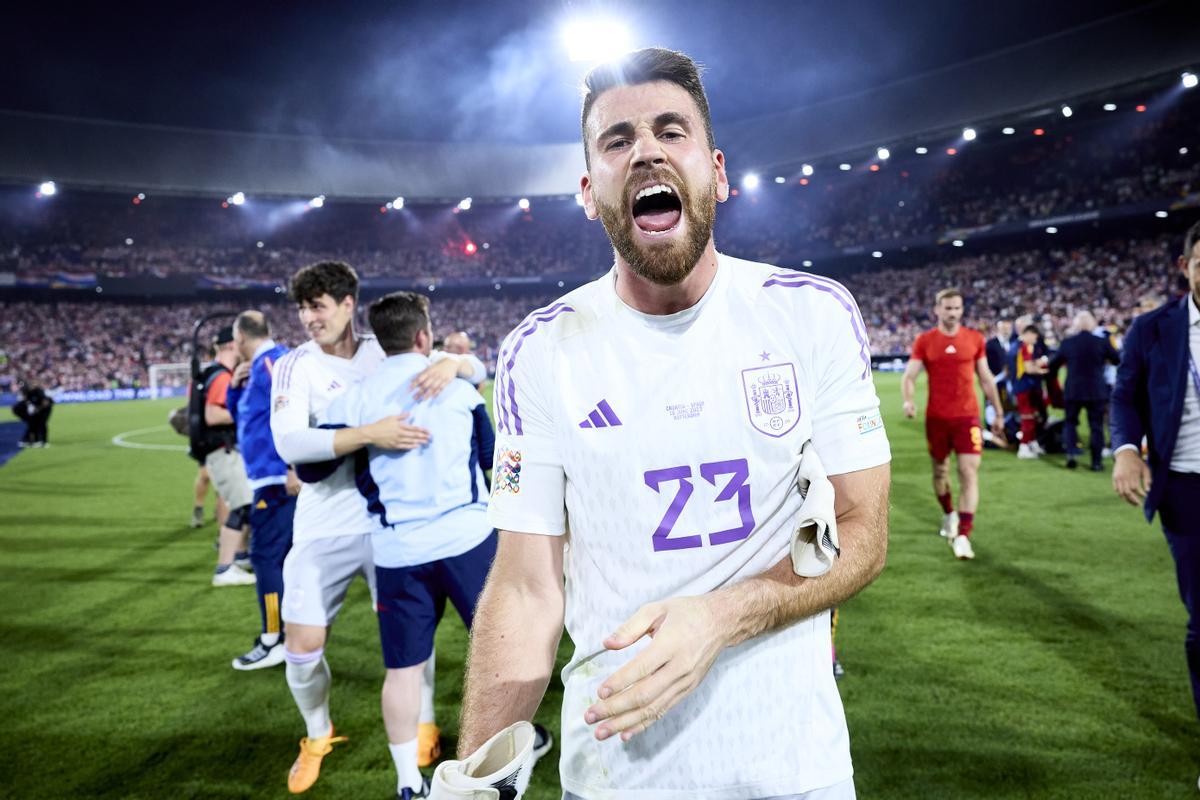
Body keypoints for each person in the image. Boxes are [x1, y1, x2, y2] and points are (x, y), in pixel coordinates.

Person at [458, 48, 891, 800]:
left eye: (670, 130)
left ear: (716, 172)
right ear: (591, 193)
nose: (647, 150)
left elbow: (863, 529)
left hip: (796, 771)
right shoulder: (540, 350)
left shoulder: (809, 314)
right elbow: (528, 590)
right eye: (618, 140)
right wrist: (473, 779)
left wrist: (722, 616)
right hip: (617, 776)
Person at [269, 261, 478, 793]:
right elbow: (291, 446)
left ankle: (425, 723)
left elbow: (473, 372)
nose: (307, 318)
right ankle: (317, 733)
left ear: (347, 305)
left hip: (389, 524)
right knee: (302, 643)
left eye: (317, 306)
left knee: (414, 638)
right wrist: (367, 433)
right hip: (323, 525)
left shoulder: (382, 351)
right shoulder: (297, 366)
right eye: (302, 308)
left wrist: (454, 363)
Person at [319, 291, 537, 799]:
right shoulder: (459, 392)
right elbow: (496, 459)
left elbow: (311, 466)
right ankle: (502, 762)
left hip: (397, 551)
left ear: (380, 339)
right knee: (501, 651)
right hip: (467, 540)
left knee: (402, 670)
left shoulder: (352, 402)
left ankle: (407, 781)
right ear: (423, 336)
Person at [1111, 219, 1200, 789]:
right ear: (1186, 265)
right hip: (1188, 488)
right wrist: (1125, 449)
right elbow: (1125, 395)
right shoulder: (1154, 328)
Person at [902, 288, 1006, 560]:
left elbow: (986, 378)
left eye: (957, 308)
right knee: (940, 473)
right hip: (937, 419)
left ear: (962, 310)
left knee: (968, 472)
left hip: (967, 417)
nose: (953, 313)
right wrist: (908, 400)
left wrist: (998, 411)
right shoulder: (925, 341)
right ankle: (950, 514)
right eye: (947, 308)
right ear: (937, 310)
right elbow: (909, 376)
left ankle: (963, 534)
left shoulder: (974, 339)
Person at [226, 310, 298, 670]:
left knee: (266, 558)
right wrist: (236, 387)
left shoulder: (274, 362)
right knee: (279, 558)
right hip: (268, 476)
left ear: (240, 338)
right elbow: (248, 420)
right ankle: (287, 634)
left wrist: (293, 465)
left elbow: (300, 409)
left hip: (277, 477)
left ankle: (275, 638)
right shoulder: (258, 366)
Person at [195, 326, 256, 586]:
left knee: (245, 503)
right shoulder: (221, 377)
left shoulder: (208, 373)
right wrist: (249, 413)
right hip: (224, 449)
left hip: (218, 451)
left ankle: (241, 555)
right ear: (233, 345)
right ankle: (224, 568)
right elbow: (213, 415)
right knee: (241, 506)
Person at [1046, 310, 1120, 471]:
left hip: (1073, 390)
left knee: (1070, 423)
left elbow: (1053, 365)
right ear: (1092, 324)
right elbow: (1117, 359)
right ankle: (1096, 461)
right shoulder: (1102, 342)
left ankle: (1071, 455)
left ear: (1076, 325)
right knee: (1096, 426)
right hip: (1096, 390)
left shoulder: (1068, 342)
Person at [1008, 324, 1049, 459]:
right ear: (1028, 334)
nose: (1036, 340)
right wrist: (1043, 371)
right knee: (1027, 418)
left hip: (1024, 386)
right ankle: (1024, 447)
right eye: (1035, 337)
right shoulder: (1022, 347)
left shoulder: (1016, 346)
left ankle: (1031, 443)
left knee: (1033, 416)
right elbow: (1028, 369)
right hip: (1024, 387)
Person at [12, 383, 53, 447]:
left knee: (41, 424)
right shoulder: (26, 398)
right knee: (33, 424)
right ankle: (34, 440)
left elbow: (45, 403)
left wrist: (37, 409)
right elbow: (28, 404)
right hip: (30, 411)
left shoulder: (37, 392)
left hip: (44, 410)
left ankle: (41, 441)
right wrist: (33, 410)